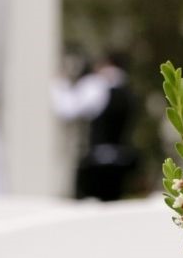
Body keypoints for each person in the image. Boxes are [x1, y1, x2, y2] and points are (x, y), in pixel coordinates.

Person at [52, 50, 138, 202]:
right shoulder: (128, 88)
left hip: (98, 165)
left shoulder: (97, 85)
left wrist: (60, 83)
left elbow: (68, 109)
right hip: (121, 161)